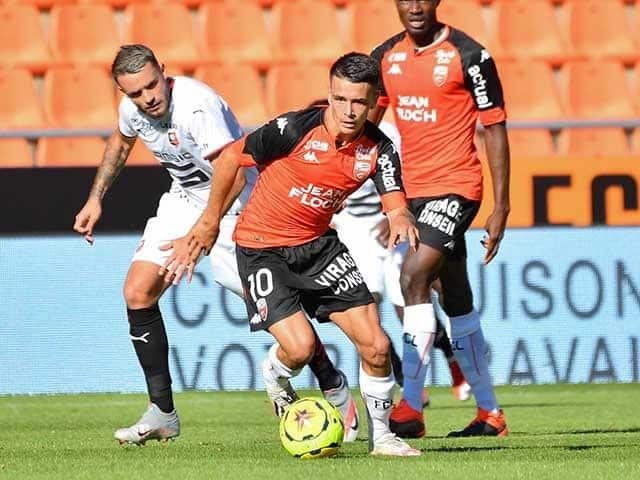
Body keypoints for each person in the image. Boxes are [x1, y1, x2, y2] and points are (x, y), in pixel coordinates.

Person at [72, 44, 358, 445]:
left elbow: (235, 174)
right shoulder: (133, 110)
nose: (147, 98)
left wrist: (201, 234)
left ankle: (332, 383)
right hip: (185, 199)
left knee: (285, 315)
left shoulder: (196, 107)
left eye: (152, 86)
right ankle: (162, 413)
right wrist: (96, 196)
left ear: (164, 73)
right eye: (135, 93)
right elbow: (121, 143)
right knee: (137, 292)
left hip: (237, 209)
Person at [161, 52, 421, 457]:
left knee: (377, 346)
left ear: (373, 103)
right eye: (340, 99)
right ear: (330, 95)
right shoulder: (294, 128)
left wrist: (401, 216)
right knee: (299, 350)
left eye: (359, 102)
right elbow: (232, 157)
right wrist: (210, 223)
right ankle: (276, 374)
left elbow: (395, 200)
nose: (349, 111)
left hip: (319, 248)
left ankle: (383, 438)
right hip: (262, 249)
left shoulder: (379, 149)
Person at [369, 0, 511, 439]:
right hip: (415, 195)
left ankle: (410, 405)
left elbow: (495, 128)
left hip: (458, 187)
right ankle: (489, 413)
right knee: (457, 299)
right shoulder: (385, 57)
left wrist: (501, 206)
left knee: (412, 276)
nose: (414, 6)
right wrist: (392, 201)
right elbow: (369, 127)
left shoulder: (469, 55)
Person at [331, 119, 471, 406]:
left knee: (407, 303)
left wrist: (396, 214)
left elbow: (413, 175)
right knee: (365, 314)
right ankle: (406, 381)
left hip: (396, 221)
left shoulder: (390, 133)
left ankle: (452, 358)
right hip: (355, 230)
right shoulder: (322, 136)